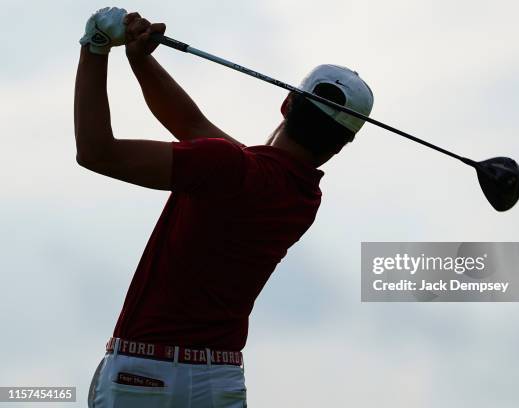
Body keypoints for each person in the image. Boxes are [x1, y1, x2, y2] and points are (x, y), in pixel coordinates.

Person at [76, 7, 373, 408]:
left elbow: (97, 153)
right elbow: (193, 125)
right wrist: (139, 60)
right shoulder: (302, 198)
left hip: (142, 374)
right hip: (220, 382)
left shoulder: (228, 167)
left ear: (286, 104)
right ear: (341, 145)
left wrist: (95, 49)